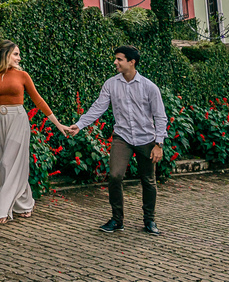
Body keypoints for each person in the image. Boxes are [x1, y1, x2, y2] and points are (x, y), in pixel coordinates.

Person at [70, 44, 168, 236]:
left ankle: (149, 220)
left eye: (119, 59)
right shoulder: (111, 84)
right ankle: (117, 220)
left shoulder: (149, 87)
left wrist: (159, 144)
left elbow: (160, 116)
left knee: (148, 180)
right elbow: (98, 107)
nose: (115, 62)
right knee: (115, 176)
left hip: (146, 139)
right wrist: (79, 125)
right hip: (122, 137)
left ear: (131, 62)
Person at [0, 40, 72, 223]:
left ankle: (2, 210)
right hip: (0, 121)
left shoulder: (22, 75)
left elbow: (38, 101)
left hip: (18, 120)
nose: (19, 57)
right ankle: (24, 204)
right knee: (4, 165)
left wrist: (58, 124)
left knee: (10, 163)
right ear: (5, 54)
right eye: (15, 54)